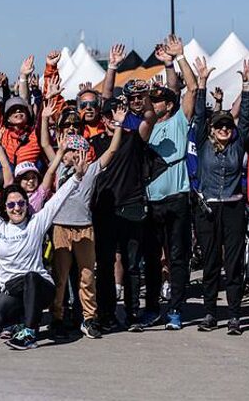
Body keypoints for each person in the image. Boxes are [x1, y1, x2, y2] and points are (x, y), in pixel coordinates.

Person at [0, 150, 88, 350]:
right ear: (5, 208)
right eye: (11, 204)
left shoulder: (36, 223)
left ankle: (29, 333)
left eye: (21, 203)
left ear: (27, 205)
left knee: (30, 277)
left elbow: (58, 200)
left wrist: (77, 176)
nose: (17, 208)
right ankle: (22, 323)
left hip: (40, 287)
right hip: (13, 288)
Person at [45, 102, 126, 340]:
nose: (74, 155)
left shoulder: (91, 170)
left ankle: (89, 318)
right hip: (61, 227)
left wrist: (118, 124)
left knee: (87, 276)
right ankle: (57, 317)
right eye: (70, 151)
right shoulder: (59, 168)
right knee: (60, 277)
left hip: (84, 228)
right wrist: (46, 120)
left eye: (78, 151)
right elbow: (46, 144)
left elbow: (112, 151)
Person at [192, 58, 249, 335]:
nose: (224, 129)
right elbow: (199, 118)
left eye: (228, 126)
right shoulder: (203, 143)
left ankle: (235, 316)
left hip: (233, 208)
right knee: (211, 262)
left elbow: (246, 119)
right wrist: (201, 84)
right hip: (209, 209)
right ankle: (209, 313)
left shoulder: (238, 145)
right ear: (212, 130)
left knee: (233, 263)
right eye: (219, 126)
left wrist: (247, 86)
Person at [90, 91, 157, 332]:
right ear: (102, 119)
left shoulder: (133, 137)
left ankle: (132, 313)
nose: (112, 118)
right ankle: (107, 314)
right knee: (105, 264)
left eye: (117, 113)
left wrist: (145, 97)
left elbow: (150, 119)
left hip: (132, 207)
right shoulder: (95, 143)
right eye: (108, 115)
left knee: (131, 265)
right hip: (104, 211)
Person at [144, 36, 197, 331]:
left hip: (177, 197)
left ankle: (175, 308)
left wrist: (177, 59)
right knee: (153, 258)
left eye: (159, 99)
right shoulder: (146, 126)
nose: (155, 103)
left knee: (177, 256)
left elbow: (191, 88)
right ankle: (152, 308)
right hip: (152, 200)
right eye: (152, 100)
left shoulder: (179, 120)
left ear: (169, 103)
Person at [0, 51, 42, 166]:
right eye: (13, 110)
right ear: (7, 118)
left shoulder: (35, 133)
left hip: (32, 177)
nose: (18, 111)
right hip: (7, 177)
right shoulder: (2, 132)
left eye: (21, 109)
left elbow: (42, 107)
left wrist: (24, 77)